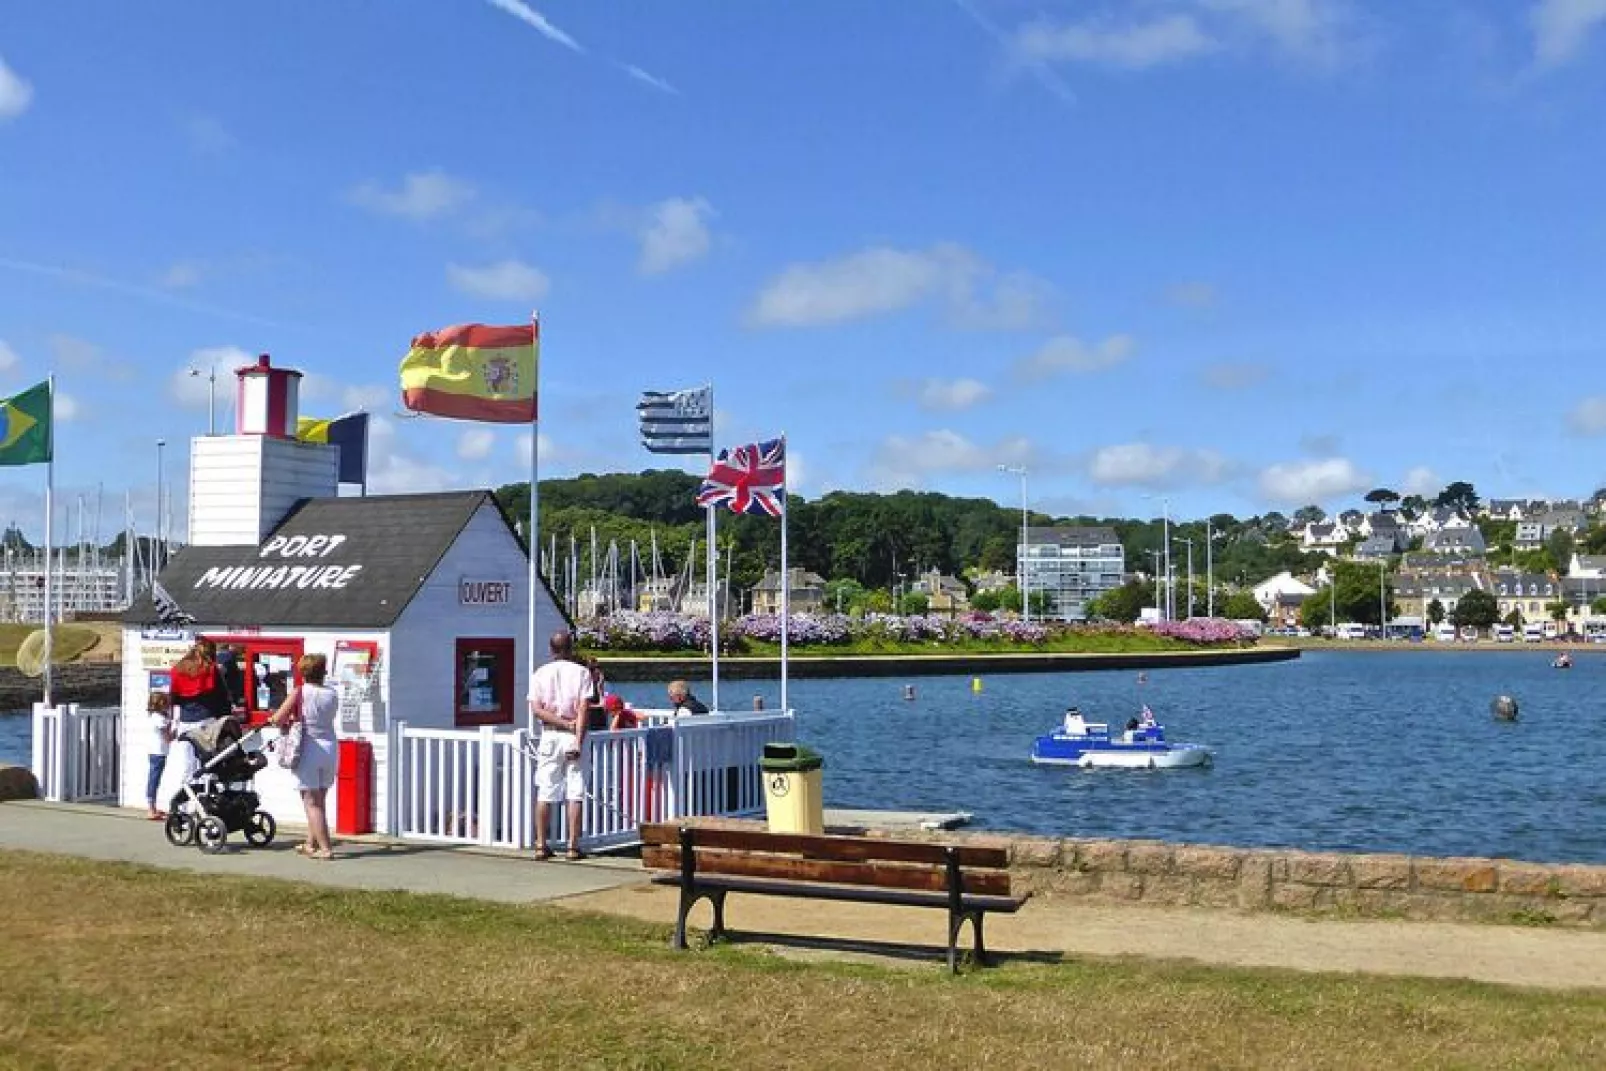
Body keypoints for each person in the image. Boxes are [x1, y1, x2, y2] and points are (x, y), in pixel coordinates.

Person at [527, 631, 592, 860]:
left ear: (551, 649)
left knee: (545, 790)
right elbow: (584, 708)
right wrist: (577, 737)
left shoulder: (540, 673)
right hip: (572, 733)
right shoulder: (582, 672)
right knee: (575, 791)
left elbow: (536, 709)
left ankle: (540, 844)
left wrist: (561, 722)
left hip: (550, 734)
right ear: (570, 648)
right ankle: (573, 846)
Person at [271, 653, 340, 860]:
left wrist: (275, 718)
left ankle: (326, 848)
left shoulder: (300, 692)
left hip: (308, 748)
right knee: (320, 799)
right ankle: (311, 843)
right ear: (323, 672)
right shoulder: (332, 693)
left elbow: (278, 718)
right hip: (329, 747)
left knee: (311, 802)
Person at [144, 693, 172, 821]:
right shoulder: (159, 719)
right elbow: (168, 737)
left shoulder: (156, 716)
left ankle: (153, 807)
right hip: (158, 752)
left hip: (156, 751)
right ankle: (151, 809)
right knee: (154, 779)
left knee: (155, 778)